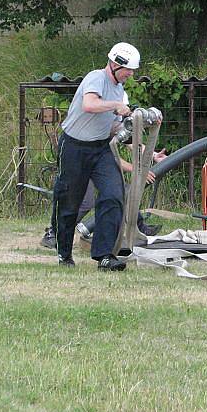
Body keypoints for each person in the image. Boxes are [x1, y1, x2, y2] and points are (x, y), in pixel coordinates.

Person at [52, 42, 147, 270]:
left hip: (101, 149)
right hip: (74, 147)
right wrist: (115, 106)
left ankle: (104, 255)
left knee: (113, 195)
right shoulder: (96, 78)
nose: (131, 74)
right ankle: (64, 253)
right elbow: (89, 104)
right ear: (115, 64)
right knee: (69, 202)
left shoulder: (120, 91)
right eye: (128, 70)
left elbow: (114, 127)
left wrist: (139, 142)